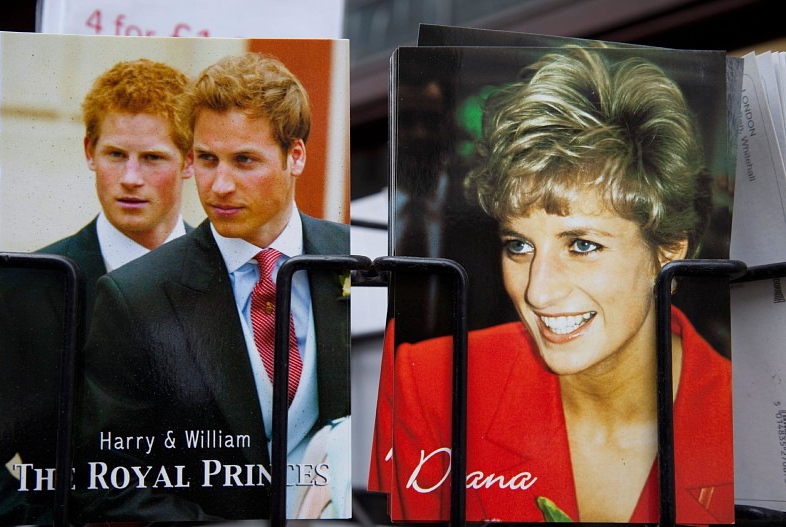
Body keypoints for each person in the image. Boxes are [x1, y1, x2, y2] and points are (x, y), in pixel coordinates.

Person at [369, 46, 733, 524]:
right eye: (519, 245)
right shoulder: (432, 386)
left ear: (668, 251)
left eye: (582, 245)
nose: (537, 292)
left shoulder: (750, 414)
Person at [72, 52, 350, 522]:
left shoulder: (354, 256)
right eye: (206, 159)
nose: (219, 185)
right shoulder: (134, 294)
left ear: (296, 156)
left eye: (244, 160)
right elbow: (108, 482)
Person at [0, 58, 192, 525]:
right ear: (89, 151)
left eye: (153, 158)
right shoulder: (35, 280)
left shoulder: (236, 273)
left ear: (189, 161)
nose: (130, 177)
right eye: (115, 154)